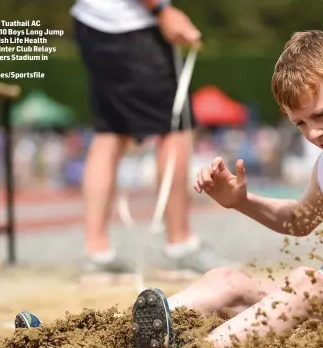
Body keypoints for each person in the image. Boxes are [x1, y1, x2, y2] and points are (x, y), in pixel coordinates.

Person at [17, 30, 323, 348]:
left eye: (321, 116)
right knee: (225, 278)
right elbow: (299, 222)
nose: (314, 134)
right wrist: (241, 201)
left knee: (304, 283)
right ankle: (82, 344)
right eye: (300, 124)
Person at [70, 0, 225, 277]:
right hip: (131, 25)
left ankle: (96, 252)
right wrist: (162, 9)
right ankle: (179, 245)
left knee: (109, 131)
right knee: (175, 128)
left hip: (92, 22)